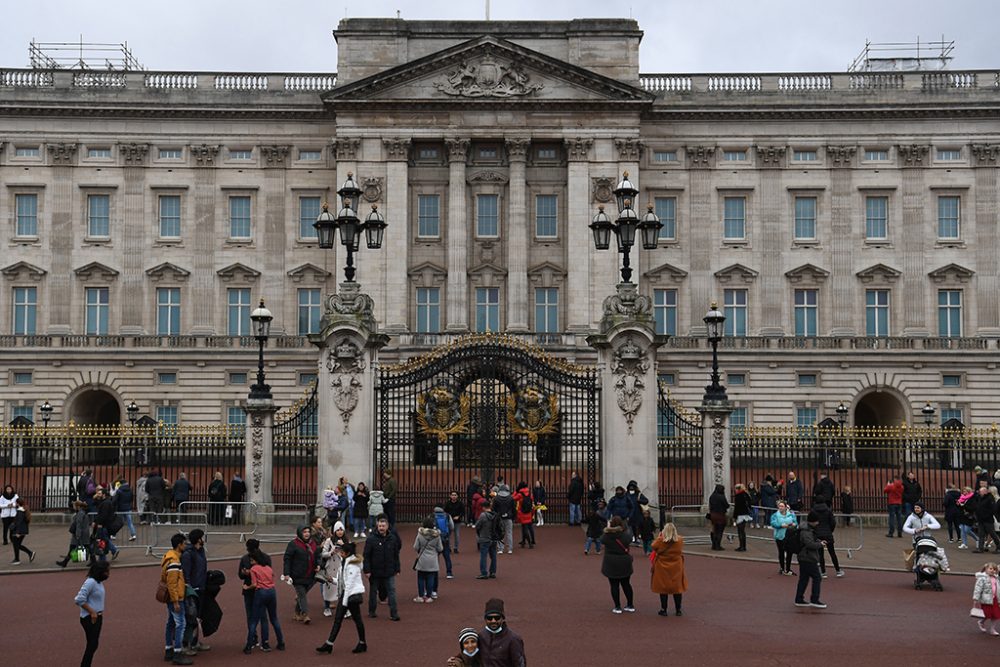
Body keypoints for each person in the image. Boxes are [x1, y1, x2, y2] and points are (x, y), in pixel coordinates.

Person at [316, 541, 367, 655]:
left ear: (347, 553)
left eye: (342, 552)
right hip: (347, 594)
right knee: (347, 620)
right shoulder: (345, 563)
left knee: (349, 620)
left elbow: (348, 584)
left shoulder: (352, 566)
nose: (340, 553)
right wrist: (332, 580)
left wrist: (344, 602)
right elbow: (342, 581)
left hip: (350, 595)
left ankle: (331, 644)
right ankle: (331, 643)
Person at [243, 549, 285, 653]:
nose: (251, 562)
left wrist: (246, 587)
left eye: (252, 560)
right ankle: (280, 642)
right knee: (274, 618)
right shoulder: (268, 568)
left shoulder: (253, 569)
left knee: (254, 620)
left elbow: (254, 584)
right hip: (271, 592)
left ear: (255, 560)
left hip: (261, 592)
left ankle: (249, 645)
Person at [162, 533, 192, 665]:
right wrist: (175, 601)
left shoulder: (170, 558)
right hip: (176, 597)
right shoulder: (174, 561)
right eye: (184, 543)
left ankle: (169, 649)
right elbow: (172, 584)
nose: (185, 545)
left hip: (173, 597)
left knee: (171, 623)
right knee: (181, 624)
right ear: (179, 545)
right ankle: (177, 653)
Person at [363, 514, 401, 621]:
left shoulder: (392, 539)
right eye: (380, 526)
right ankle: (372, 611)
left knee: (392, 592)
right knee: (373, 592)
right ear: (377, 526)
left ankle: (394, 613)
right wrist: (367, 570)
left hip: (389, 571)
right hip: (374, 571)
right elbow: (366, 555)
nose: (381, 528)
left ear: (387, 526)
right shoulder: (371, 539)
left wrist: (397, 568)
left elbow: (396, 555)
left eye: (383, 526)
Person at [179, 528, 210, 655]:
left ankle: (195, 641)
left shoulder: (200, 551)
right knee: (190, 617)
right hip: (192, 589)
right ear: (198, 539)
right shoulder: (188, 554)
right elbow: (186, 573)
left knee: (197, 617)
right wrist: (188, 588)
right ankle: (186, 644)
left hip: (201, 587)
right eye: (202, 537)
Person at [75, 560, 110, 667]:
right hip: (90, 617)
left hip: (97, 616)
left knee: (93, 644)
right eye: (106, 571)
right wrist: (92, 612)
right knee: (92, 644)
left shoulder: (98, 582)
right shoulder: (91, 582)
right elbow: (79, 599)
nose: (108, 574)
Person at [238, 538, 271, 646]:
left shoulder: (245, 559)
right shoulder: (266, 558)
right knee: (263, 616)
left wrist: (247, 574)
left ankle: (253, 638)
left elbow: (240, 575)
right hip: (263, 590)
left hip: (250, 589)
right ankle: (264, 640)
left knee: (251, 616)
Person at [282, 525, 318, 623]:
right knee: (302, 594)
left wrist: (318, 565)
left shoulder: (313, 543)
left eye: (308, 532)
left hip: (310, 575)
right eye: (304, 532)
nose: (307, 534)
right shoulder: (293, 544)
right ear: (300, 533)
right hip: (297, 575)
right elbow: (287, 559)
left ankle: (297, 613)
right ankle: (305, 614)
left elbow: (317, 556)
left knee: (302, 595)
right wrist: (286, 573)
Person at [650, 523, 687, 616]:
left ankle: (664, 609)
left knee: (663, 588)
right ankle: (678, 609)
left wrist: (660, 537)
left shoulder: (660, 540)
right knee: (677, 588)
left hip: (662, 565)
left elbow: (653, 546)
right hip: (676, 565)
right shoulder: (680, 540)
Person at [601, 516, 635, 613]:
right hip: (624, 560)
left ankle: (617, 606)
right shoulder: (625, 534)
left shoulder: (607, 535)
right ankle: (630, 604)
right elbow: (630, 539)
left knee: (614, 585)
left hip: (611, 561)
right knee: (626, 584)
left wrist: (607, 529)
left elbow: (601, 540)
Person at [477, 598, 526, 667]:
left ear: (503, 618)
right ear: (485, 619)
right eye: (489, 618)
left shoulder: (513, 639)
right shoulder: (481, 636)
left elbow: (520, 664)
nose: (493, 621)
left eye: (497, 617)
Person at [794, 511, 827, 609]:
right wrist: (820, 544)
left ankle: (799, 598)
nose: (818, 523)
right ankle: (814, 599)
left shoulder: (807, 529)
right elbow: (809, 544)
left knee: (804, 579)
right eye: (816, 521)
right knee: (817, 577)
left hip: (804, 557)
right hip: (808, 557)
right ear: (813, 521)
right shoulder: (806, 531)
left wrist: (818, 542)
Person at [812, 495, 843, 578]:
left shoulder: (813, 510)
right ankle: (838, 570)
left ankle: (823, 572)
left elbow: (811, 522)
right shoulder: (828, 510)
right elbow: (833, 522)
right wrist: (830, 530)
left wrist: (814, 532)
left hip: (818, 534)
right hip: (827, 533)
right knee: (832, 553)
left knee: (820, 554)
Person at [58, 500, 91, 567]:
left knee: (74, 547)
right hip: (84, 533)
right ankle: (65, 562)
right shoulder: (82, 512)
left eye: (74, 506)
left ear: (78, 506)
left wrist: (78, 535)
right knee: (86, 547)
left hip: (80, 534)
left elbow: (79, 525)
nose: (73, 507)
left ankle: (65, 562)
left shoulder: (80, 513)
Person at [475, 499, 501, 580]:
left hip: (484, 537)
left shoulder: (483, 515)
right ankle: (493, 572)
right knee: (493, 556)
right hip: (494, 538)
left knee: (483, 556)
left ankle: (484, 573)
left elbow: (477, 525)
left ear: (483, 507)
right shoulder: (495, 515)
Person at [91, 487, 120, 561]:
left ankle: (105, 557)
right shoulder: (104, 502)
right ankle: (107, 554)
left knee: (102, 541)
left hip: (103, 526)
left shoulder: (106, 503)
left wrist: (98, 523)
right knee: (104, 541)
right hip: (104, 525)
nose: (98, 495)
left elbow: (103, 516)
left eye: (100, 494)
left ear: (103, 494)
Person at [770, 501, 798, 575]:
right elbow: (773, 523)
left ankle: (788, 569)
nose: (780, 507)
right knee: (781, 552)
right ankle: (782, 568)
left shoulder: (791, 515)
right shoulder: (775, 515)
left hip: (789, 537)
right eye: (779, 506)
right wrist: (781, 525)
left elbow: (796, 523)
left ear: (786, 507)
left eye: (782, 506)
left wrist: (793, 525)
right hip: (779, 536)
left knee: (789, 553)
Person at [973, 562, 1000, 635]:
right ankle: (981, 622)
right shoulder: (982, 578)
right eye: (990, 568)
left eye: (994, 569)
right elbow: (978, 589)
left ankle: (992, 629)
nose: (992, 570)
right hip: (986, 599)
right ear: (986, 569)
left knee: (996, 615)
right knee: (986, 614)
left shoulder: (996, 578)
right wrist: (976, 598)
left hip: (995, 599)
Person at [974, 486, 1000, 554]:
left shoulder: (990, 498)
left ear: (985, 491)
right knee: (981, 534)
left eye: (981, 491)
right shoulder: (979, 498)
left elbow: (993, 509)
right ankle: (980, 548)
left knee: (992, 533)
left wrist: (986, 515)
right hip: (980, 519)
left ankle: (998, 546)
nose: (980, 493)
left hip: (988, 520)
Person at [9, 497, 33, 564]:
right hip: (23, 531)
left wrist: (17, 532)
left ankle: (17, 559)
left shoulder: (20, 511)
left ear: (18, 503)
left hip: (18, 531)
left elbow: (19, 522)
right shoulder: (24, 510)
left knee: (16, 545)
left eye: (16, 503)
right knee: (17, 545)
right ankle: (29, 553)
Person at [433, 504, 455, 578]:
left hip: (435, 538)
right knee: (447, 556)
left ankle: (434, 571)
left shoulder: (432, 516)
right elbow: (452, 526)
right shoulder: (447, 516)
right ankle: (449, 573)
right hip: (445, 538)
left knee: (435, 556)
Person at [493, 483, 515, 554]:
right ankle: (510, 549)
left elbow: (494, 509)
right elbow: (513, 508)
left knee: (500, 533)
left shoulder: (496, 498)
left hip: (499, 517)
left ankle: (500, 549)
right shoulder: (510, 498)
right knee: (509, 533)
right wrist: (513, 516)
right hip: (508, 517)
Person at [112, 477, 137, 541]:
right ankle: (133, 534)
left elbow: (115, 500)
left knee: (118, 522)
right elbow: (131, 499)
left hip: (120, 509)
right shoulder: (130, 490)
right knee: (130, 522)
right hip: (128, 508)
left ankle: (113, 534)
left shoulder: (119, 491)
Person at [513, 482, 535, 549]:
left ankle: (529, 543)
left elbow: (513, 498)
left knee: (524, 528)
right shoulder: (529, 493)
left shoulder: (520, 494)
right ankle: (530, 540)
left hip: (522, 512)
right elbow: (532, 501)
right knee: (529, 526)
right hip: (528, 512)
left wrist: (515, 492)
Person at [707, 484, 729, 551]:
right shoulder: (722, 497)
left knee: (714, 530)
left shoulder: (712, 496)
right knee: (719, 531)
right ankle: (718, 545)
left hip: (713, 515)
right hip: (721, 515)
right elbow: (727, 505)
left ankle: (713, 544)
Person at [732, 483, 753, 552]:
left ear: (738, 489)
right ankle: (743, 546)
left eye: (735, 489)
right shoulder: (746, 494)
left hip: (740, 515)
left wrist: (734, 516)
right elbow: (750, 504)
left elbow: (737, 507)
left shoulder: (738, 496)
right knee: (743, 531)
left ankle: (742, 546)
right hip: (746, 514)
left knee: (740, 531)